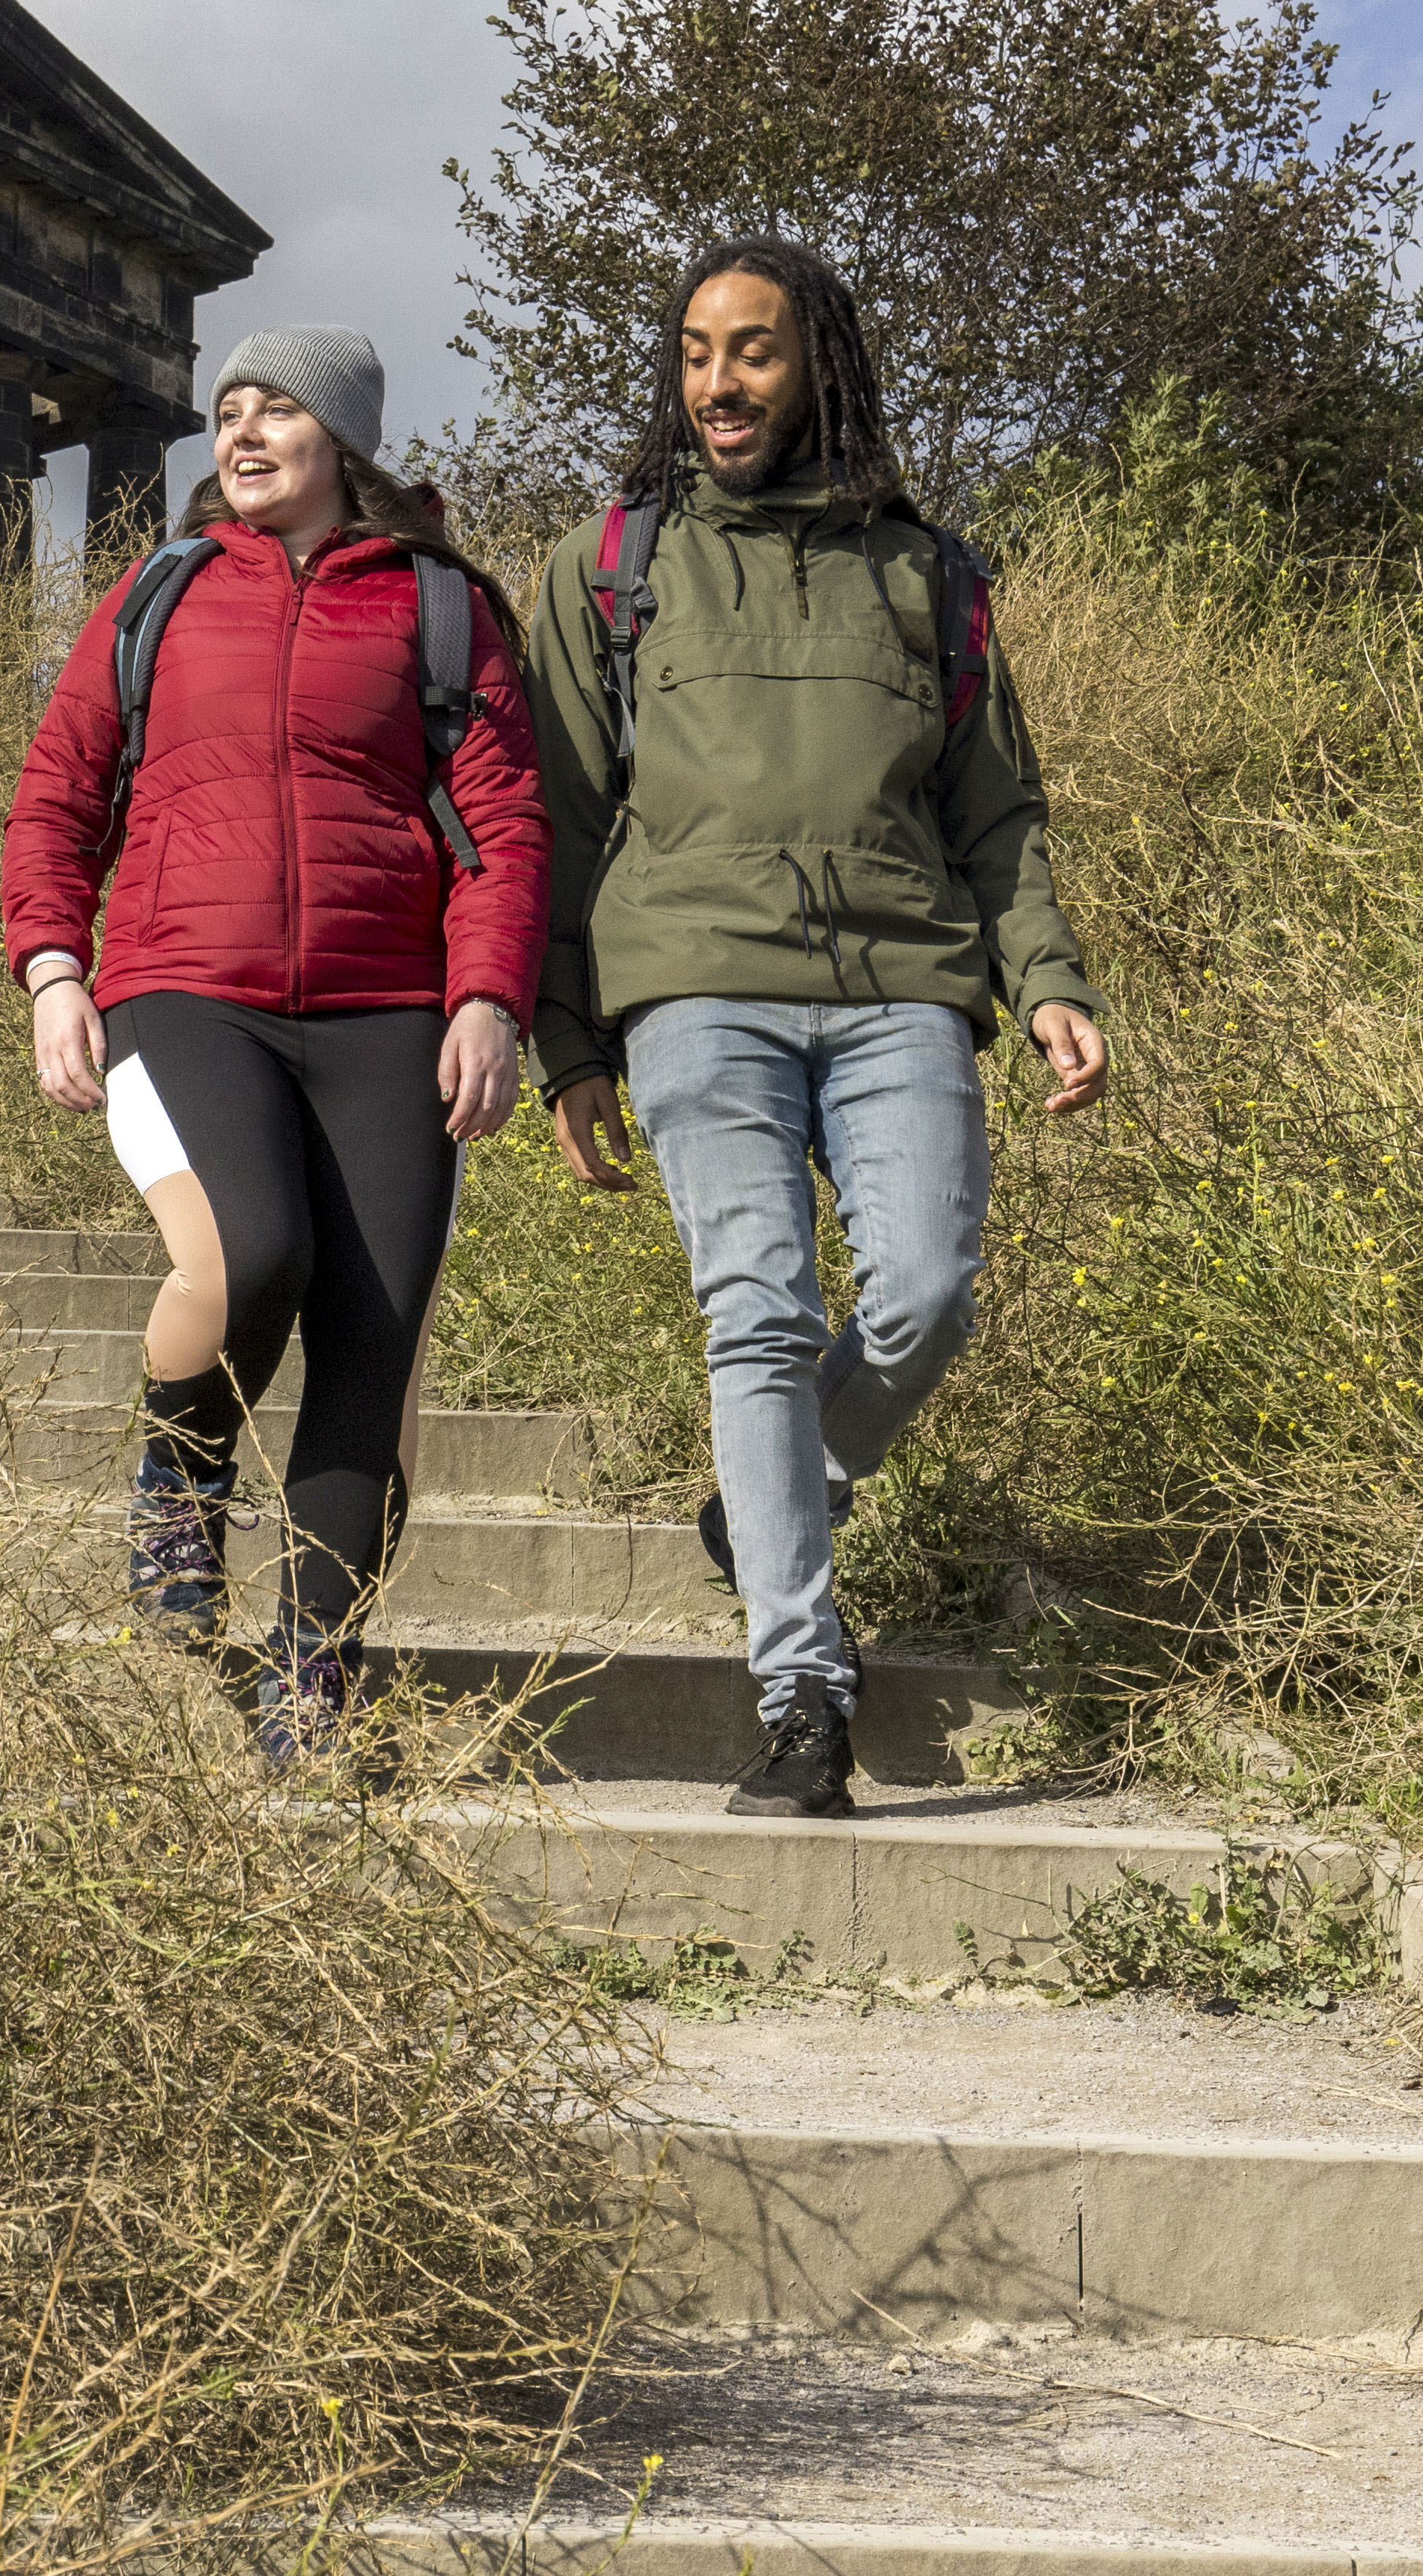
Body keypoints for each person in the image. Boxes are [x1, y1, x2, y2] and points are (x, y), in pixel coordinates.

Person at [522, 238, 1109, 1821]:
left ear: (818, 364)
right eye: (698, 351)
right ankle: (802, 1686)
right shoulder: (610, 563)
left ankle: (784, 1484)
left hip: (902, 979)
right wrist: (563, 1041)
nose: (719, 381)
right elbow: (560, 819)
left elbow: (997, 810)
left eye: (755, 350)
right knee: (759, 1315)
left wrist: (1045, 974)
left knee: (922, 1289)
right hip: (694, 974)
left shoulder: (930, 572)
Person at [1, 323, 548, 1760]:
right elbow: (59, 795)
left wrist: (490, 996)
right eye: (227, 411)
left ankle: (316, 1671)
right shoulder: (160, 597)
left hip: (392, 1013)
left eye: (277, 413)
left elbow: (505, 825)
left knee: (375, 1349)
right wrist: (56, 967)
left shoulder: (442, 611)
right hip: (188, 988)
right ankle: (182, 1479)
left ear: (345, 445)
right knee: (249, 1256)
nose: (240, 433)